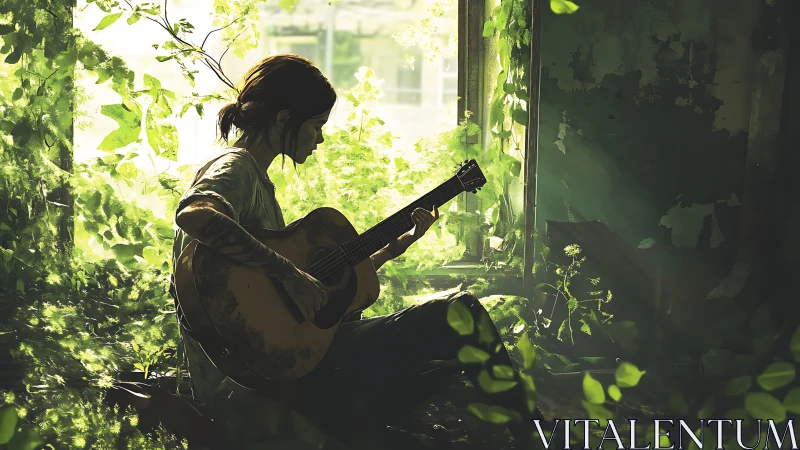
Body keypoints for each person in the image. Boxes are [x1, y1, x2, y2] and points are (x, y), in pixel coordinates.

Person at [171, 54, 537, 448]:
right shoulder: (236, 167)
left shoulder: (259, 185)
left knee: (438, 367)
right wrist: (290, 274)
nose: (321, 139)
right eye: (316, 126)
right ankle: (528, 437)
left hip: (278, 364)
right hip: (253, 381)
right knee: (459, 313)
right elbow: (194, 215)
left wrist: (389, 251)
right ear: (282, 120)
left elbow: (289, 299)